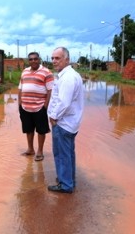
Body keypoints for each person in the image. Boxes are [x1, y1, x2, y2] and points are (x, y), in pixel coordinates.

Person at [47, 47, 84, 194]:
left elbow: (64, 102)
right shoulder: (68, 75)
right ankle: (69, 179)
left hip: (63, 124)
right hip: (69, 123)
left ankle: (65, 184)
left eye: (58, 58)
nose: (54, 61)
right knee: (68, 154)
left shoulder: (68, 77)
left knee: (62, 154)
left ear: (67, 59)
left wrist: (53, 117)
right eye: (53, 58)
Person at [18, 52, 54, 161]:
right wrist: (19, 103)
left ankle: (40, 151)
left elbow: (50, 90)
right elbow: (20, 88)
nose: (33, 61)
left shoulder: (47, 72)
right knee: (28, 129)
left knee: (41, 130)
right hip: (25, 107)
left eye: (35, 59)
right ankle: (30, 149)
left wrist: (45, 106)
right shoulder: (24, 71)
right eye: (31, 59)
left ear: (39, 60)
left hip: (40, 107)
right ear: (28, 61)